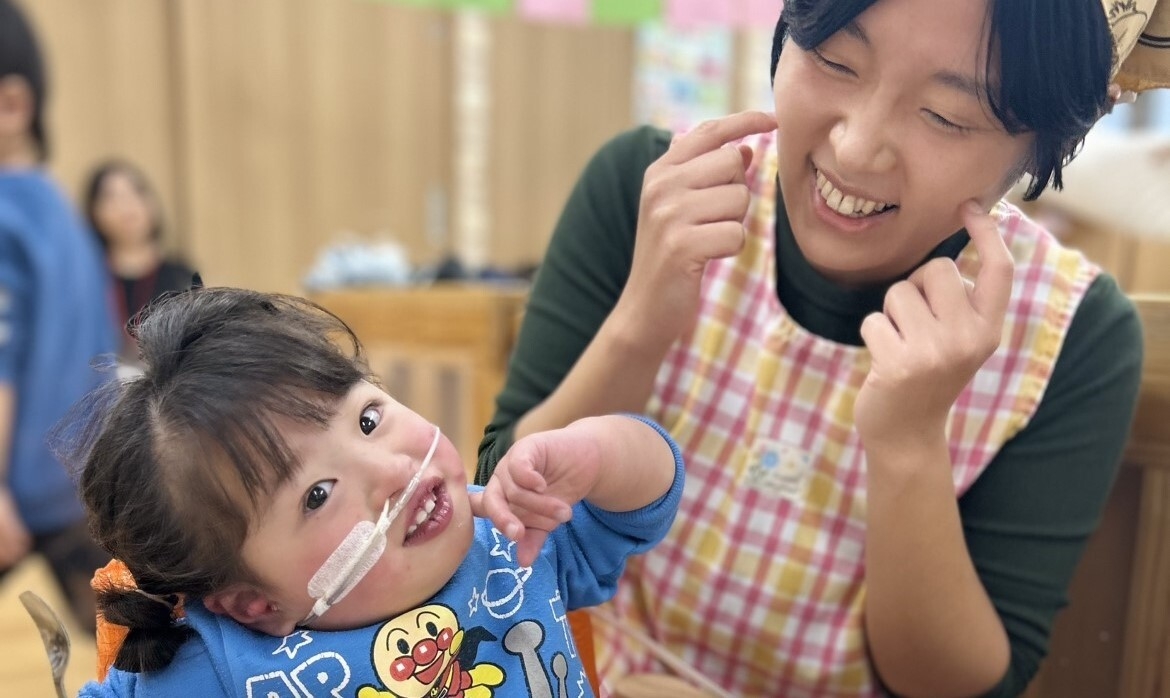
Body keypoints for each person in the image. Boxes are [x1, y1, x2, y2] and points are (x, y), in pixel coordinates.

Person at [477, 0, 1169, 696]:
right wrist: (642, 320)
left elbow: (958, 686)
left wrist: (908, 442)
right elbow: (503, 524)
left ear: (1038, 151)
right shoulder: (650, 189)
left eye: (946, 116)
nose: (857, 147)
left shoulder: (1074, 334)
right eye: (836, 61)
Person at [67, 285, 683, 697]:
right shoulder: (224, 667)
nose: (391, 469)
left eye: (367, 419)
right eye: (318, 494)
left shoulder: (516, 538)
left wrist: (597, 451)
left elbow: (648, 500)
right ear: (255, 604)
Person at [0, 0, 116, 635]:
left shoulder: (6, 214)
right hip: (83, 476)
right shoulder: (56, 205)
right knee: (129, 650)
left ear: (12, 105)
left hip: (28, 485)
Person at [82, 159, 196, 363]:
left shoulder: (182, 277)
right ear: (94, 213)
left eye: (136, 191)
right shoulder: (85, 280)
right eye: (111, 196)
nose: (126, 204)